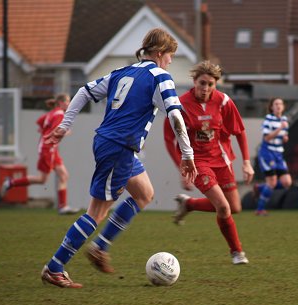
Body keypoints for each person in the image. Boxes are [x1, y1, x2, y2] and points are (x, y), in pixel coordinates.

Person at [40, 28, 197, 288]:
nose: (170, 61)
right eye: (170, 56)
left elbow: (83, 92)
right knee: (97, 211)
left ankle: (100, 247)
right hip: (119, 147)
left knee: (144, 193)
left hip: (111, 143)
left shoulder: (121, 72)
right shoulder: (160, 76)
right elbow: (176, 116)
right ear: (160, 54)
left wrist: (66, 124)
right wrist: (188, 153)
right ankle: (55, 267)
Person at [164, 60, 254, 265]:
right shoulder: (180, 105)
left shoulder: (223, 102)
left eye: (210, 84)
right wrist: (182, 166)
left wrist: (246, 162)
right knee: (223, 207)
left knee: (234, 207)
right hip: (198, 162)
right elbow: (169, 138)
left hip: (222, 160)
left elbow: (239, 131)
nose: (205, 88)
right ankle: (237, 253)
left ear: (216, 85)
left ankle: (189, 203)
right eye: (202, 83)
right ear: (194, 82)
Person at [0, 94, 78, 215]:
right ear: (61, 103)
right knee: (42, 179)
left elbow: (40, 123)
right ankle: (10, 183)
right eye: (68, 101)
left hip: (50, 148)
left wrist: (44, 131)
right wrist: (66, 132)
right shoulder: (60, 114)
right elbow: (56, 131)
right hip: (48, 148)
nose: (69, 103)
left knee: (64, 175)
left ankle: (63, 206)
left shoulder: (51, 113)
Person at [254, 97, 292, 216]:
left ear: (283, 106)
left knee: (287, 182)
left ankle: (260, 188)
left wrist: (285, 137)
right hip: (267, 153)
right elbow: (267, 138)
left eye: (280, 104)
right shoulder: (268, 119)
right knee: (272, 182)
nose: (278, 106)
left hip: (278, 154)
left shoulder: (285, 119)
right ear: (271, 107)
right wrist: (280, 128)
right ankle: (260, 209)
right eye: (276, 104)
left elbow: (283, 137)